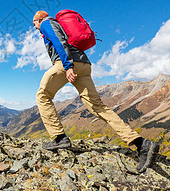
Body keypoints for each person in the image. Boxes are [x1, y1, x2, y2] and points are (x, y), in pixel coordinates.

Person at [33, 10, 159, 173]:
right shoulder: (55, 24)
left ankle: (59, 138)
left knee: (43, 96)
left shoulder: (46, 24)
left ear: (39, 19)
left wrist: (68, 66)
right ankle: (141, 144)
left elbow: (59, 41)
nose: (35, 27)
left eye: (34, 23)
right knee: (98, 107)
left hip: (67, 64)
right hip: (84, 65)